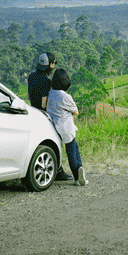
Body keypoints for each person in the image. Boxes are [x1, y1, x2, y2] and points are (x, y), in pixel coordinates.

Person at [27, 52, 73, 181]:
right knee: (55, 141)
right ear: (51, 65)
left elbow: (29, 96)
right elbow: (44, 102)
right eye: (54, 63)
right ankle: (57, 170)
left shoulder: (31, 77)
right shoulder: (46, 81)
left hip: (33, 112)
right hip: (43, 115)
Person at [46, 68, 87, 186]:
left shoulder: (51, 92)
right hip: (66, 126)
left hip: (55, 126)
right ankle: (77, 176)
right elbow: (75, 112)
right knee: (71, 151)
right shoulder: (65, 96)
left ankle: (80, 170)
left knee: (74, 147)